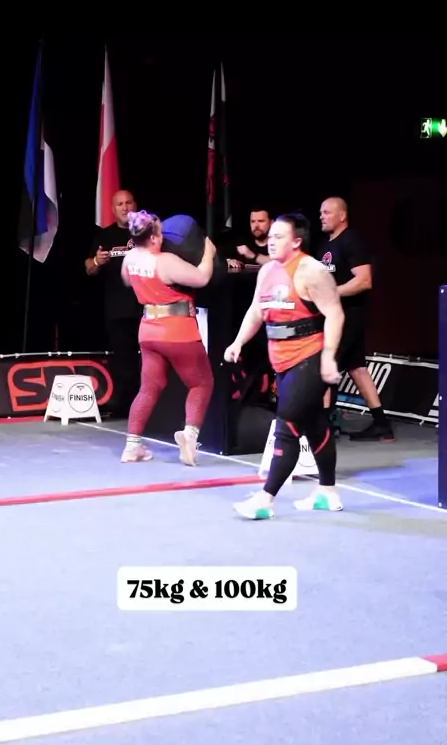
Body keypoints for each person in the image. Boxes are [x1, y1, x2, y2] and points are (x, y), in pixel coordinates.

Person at [224, 212, 345, 519]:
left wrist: (329, 357)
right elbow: (256, 311)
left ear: (296, 241)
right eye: (271, 236)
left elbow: (335, 314)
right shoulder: (267, 271)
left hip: (310, 357)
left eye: (279, 237)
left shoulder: (312, 271)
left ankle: (265, 500)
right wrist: (238, 342)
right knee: (315, 425)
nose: (271, 241)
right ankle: (328, 492)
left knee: (287, 426)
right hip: (281, 360)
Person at [120, 210, 216, 465]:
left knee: (149, 388)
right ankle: (189, 436)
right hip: (177, 330)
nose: (163, 238)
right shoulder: (165, 261)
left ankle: (132, 446)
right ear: (152, 238)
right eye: (160, 233)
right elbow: (202, 278)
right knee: (201, 383)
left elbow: (128, 282)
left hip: (148, 331)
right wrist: (208, 251)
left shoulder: (129, 259)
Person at [318, 196, 394, 442]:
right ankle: (382, 425)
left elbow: (364, 280)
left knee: (326, 365)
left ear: (342, 216)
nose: (321, 216)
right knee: (357, 369)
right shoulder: (325, 246)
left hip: (349, 316)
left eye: (327, 212)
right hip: (334, 316)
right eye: (321, 212)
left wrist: (332, 293)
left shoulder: (352, 241)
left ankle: (323, 427)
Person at [85, 190, 142, 418]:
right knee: (123, 359)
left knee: (149, 358)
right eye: (120, 204)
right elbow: (88, 268)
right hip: (117, 308)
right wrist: (97, 261)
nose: (125, 207)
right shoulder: (104, 236)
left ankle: (152, 405)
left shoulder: (147, 233)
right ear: (113, 209)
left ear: (135, 205)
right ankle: (125, 405)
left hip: (147, 306)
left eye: (129, 202)